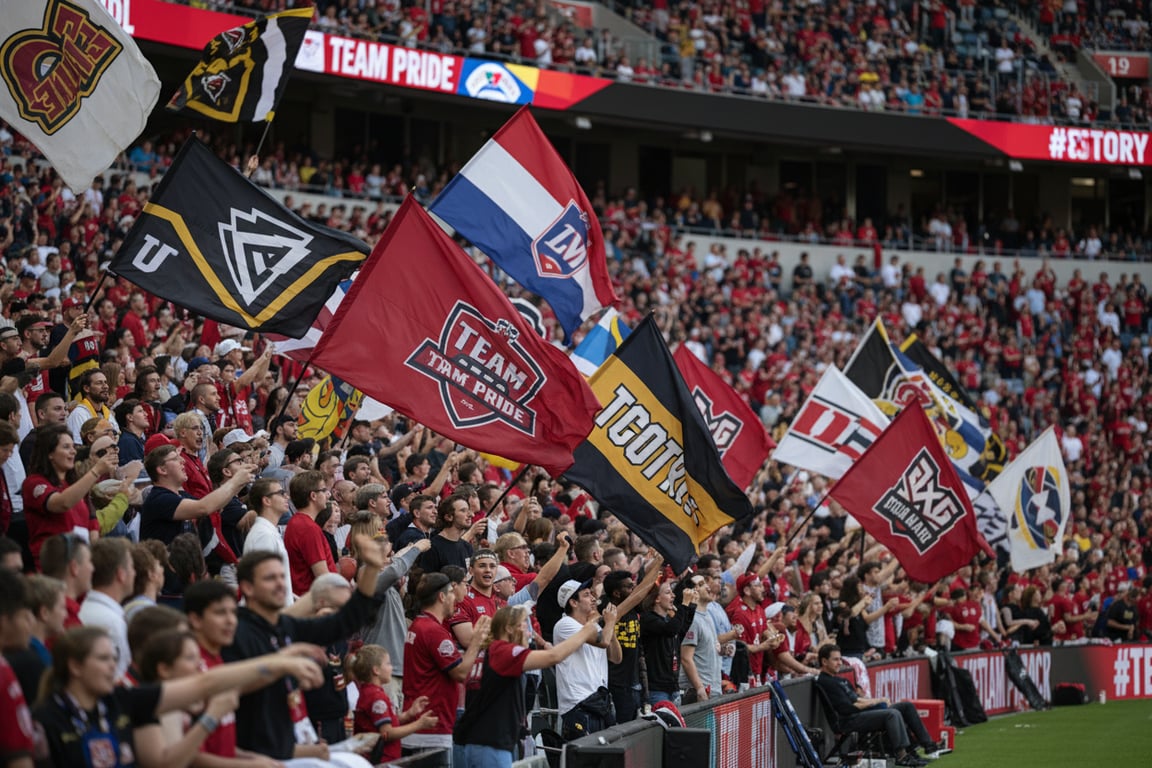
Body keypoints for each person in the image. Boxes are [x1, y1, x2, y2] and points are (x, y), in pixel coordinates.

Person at [31, 625, 326, 768]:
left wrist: (281, 661)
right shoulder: (47, 719)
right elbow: (167, 763)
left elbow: (206, 683)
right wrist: (211, 718)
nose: (112, 666)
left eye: (114, 658)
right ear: (75, 666)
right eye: (103, 659)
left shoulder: (123, 699)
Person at [225, 535, 386, 762]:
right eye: (270, 578)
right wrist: (283, 661)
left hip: (285, 752)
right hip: (253, 758)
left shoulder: (283, 626)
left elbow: (347, 621)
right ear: (248, 587)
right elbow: (234, 685)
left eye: (282, 576)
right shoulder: (236, 632)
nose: (281, 583)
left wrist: (371, 568)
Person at [455, 604, 602, 767]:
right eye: (524, 625)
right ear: (509, 629)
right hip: (491, 743)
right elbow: (553, 656)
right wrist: (586, 631)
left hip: (477, 742)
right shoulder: (502, 651)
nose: (529, 632)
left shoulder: (488, 651)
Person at [402, 572, 490, 763]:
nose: (455, 599)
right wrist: (476, 641)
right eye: (451, 592)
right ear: (442, 596)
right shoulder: (434, 631)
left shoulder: (420, 625)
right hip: (430, 728)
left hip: (422, 725)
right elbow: (460, 673)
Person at [814, 644, 941, 767]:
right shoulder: (826, 682)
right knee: (892, 714)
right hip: (847, 720)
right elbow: (848, 708)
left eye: (840, 659)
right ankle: (902, 756)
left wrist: (878, 701)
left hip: (858, 713)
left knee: (906, 706)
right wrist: (877, 702)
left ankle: (927, 745)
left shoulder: (841, 680)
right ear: (824, 662)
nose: (840, 663)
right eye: (835, 660)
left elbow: (857, 700)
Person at [22, 424, 113, 568]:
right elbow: (61, 503)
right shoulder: (33, 483)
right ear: (49, 453)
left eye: (73, 447)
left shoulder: (73, 482)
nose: (72, 452)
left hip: (80, 563)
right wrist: (96, 471)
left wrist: (94, 536)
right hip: (53, 567)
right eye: (66, 447)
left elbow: (90, 515)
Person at [347, 644, 436, 765]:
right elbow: (387, 733)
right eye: (388, 663)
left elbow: (384, 723)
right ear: (376, 670)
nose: (391, 668)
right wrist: (419, 724)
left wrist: (408, 714)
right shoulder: (375, 696)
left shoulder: (370, 691)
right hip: (382, 761)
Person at [554, 578, 620, 739]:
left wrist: (608, 626)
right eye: (586, 595)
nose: (593, 598)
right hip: (579, 705)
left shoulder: (594, 627)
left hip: (599, 703)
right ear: (573, 603)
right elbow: (603, 642)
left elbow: (616, 657)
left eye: (592, 594)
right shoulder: (565, 624)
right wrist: (610, 622)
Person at [640, 579, 697, 705]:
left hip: (673, 689)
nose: (673, 595)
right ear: (657, 599)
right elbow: (671, 630)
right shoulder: (648, 619)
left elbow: (681, 631)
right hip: (657, 690)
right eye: (667, 593)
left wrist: (692, 606)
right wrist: (684, 604)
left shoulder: (667, 620)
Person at [242, 477, 295, 604]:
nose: (286, 496)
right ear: (266, 500)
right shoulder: (263, 535)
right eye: (281, 493)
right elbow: (266, 583)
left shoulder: (268, 531)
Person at [285, 470, 337, 596]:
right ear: (313, 496)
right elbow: (322, 576)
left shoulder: (297, 522)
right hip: (315, 603)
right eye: (324, 490)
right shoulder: (308, 528)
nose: (328, 495)